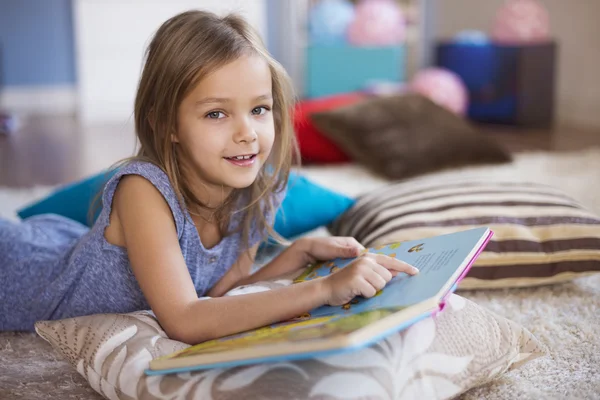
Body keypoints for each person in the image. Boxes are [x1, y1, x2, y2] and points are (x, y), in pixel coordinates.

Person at [0, 10, 418, 343]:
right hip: (20, 271)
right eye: (216, 113)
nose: (247, 133)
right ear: (168, 125)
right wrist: (322, 290)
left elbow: (219, 296)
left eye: (259, 109)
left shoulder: (257, 191)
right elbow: (186, 318)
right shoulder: (143, 191)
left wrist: (299, 254)